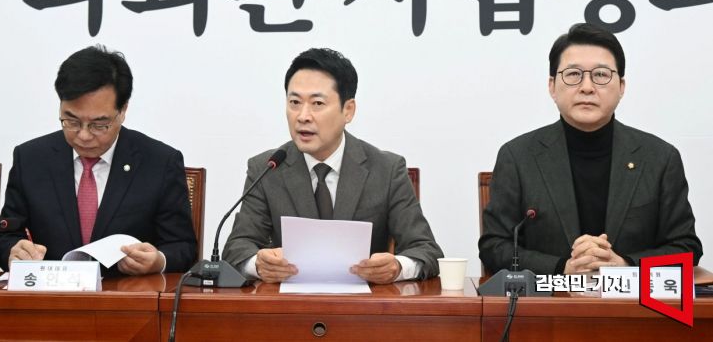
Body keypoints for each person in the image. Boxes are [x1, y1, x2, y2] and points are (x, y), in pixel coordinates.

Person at [479, 23, 703, 275]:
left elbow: (687, 248)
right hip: (551, 298)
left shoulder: (660, 158)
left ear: (621, 86)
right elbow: (493, 246)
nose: (587, 87)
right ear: (552, 86)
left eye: (601, 75)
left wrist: (624, 265)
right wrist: (562, 267)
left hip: (633, 298)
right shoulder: (518, 157)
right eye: (573, 74)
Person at [223, 48, 443, 284]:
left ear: (348, 110)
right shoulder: (268, 168)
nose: (303, 116)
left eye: (317, 103)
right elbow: (236, 249)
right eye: (294, 102)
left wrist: (397, 267)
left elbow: (427, 251)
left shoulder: (386, 169)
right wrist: (259, 265)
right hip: (288, 302)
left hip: (364, 303)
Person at [0, 46, 196, 275]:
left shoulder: (160, 162)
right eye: (71, 121)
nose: (84, 135)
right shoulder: (31, 159)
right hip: (50, 292)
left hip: (126, 293)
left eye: (99, 125)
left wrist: (158, 261)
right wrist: (14, 251)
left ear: (123, 110)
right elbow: (6, 234)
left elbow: (183, 247)